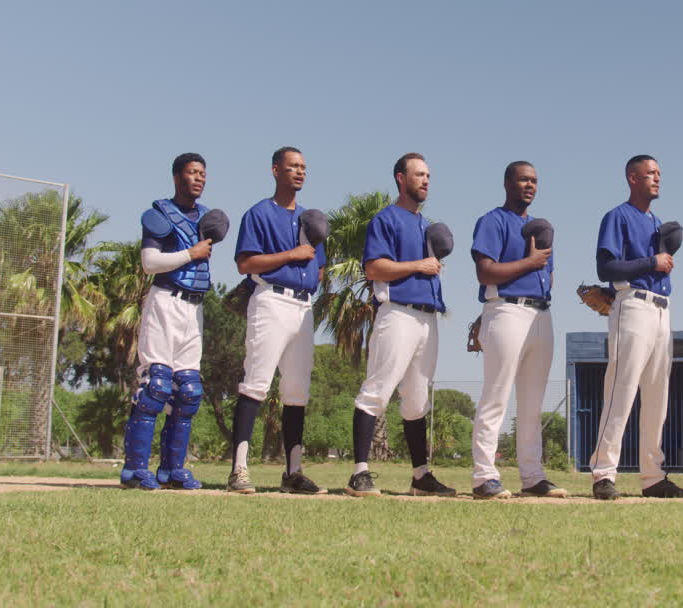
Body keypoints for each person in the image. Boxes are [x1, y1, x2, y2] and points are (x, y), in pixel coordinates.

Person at [347, 153, 456, 497]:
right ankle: (359, 473)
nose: (425, 180)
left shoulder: (427, 226)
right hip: (397, 313)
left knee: (417, 401)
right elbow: (374, 269)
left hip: (427, 317)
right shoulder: (386, 219)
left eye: (428, 175)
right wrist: (418, 266)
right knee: (376, 391)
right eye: (418, 174)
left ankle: (420, 476)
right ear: (400, 178)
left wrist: (429, 269)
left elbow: (426, 267)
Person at [588, 154, 683, 500]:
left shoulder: (657, 221)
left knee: (656, 396)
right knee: (621, 389)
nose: (657, 179)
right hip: (632, 304)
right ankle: (604, 473)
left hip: (662, 308)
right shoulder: (618, 216)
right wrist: (652, 261)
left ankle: (653, 476)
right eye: (650, 173)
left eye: (659, 173)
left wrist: (661, 264)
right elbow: (606, 268)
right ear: (632, 178)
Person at [226, 147, 327, 495]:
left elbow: (320, 266)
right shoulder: (259, 213)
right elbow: (245, 264)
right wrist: (293, 256)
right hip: (270, 300)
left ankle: (293, 473)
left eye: (303, 167)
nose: (299, 172)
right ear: (275, 170)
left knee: (297, 391)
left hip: (303, 306)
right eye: (292, 166)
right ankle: (239, 470)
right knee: (256, 383)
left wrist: (310, 270)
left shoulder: (310, 220)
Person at [468, 161, 566, 499]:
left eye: (535, 181)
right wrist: (530, 262)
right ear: (508, 183)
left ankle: (533, 476)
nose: (530, 186)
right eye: (524, 179)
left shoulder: (540, 228)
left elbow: (548, 275)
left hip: (540, 313)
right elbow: (485, 272)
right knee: (496, 396)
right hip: (506, 308)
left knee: (532, 402)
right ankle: (484, 476)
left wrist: (537, 266)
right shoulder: (493, 221)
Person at [120, 153, 215, 490]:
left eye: (203, 173)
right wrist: (191, 254)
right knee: (156, 385)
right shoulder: (159, 215)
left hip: (194, 308)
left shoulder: (207, 218)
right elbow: (149, 263)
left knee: (188, 390)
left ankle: (172, 469)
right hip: (165, 301)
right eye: (192, 173)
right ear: (177, 177)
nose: (199, 179)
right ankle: (134, 469)